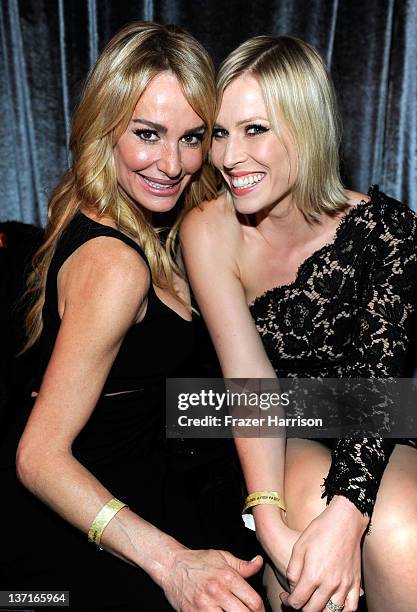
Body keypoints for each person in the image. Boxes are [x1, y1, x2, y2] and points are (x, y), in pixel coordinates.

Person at [0, 22, 265, 612]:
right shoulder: (117, 266)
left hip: (150, 479)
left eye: (192, 138)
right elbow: (37, 456)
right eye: (148, 134)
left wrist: (360, 410)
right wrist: (171, 564)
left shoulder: (121, 216)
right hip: (86, 542)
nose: (171, 164)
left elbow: (153, 394)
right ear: (107, 128)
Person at [181, 35, 417, 612]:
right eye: (219, 132)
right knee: (305, 528)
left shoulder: (390, 231)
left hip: (379, 422)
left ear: (306, 126)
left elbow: (377, 388)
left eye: (254, 129)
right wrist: (267, 518)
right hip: (274, 429)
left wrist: (348, 514)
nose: (229, 156)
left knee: (401, 536)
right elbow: (247, 378)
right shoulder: (208, 230)